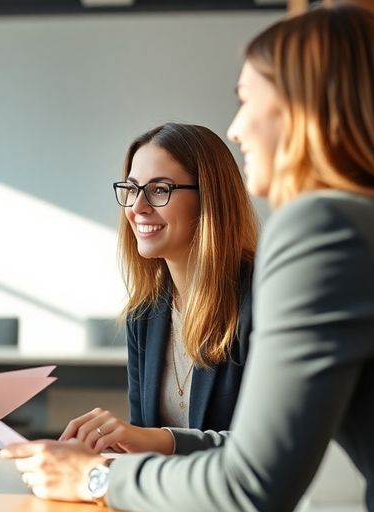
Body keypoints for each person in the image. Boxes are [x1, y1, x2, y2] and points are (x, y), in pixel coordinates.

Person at [3, 5, 374, 510]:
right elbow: (266, 453)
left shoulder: (326, 228)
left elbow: (251, 485)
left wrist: (94, 479)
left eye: (247, 100)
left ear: (302, 108)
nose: (238, 127)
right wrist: (155, 442)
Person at [59, 123, 257, 455]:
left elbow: (270, 449)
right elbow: (146, 449)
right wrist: (106, 446)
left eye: (160, 189)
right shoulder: (145, 314)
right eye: (132, 189)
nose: (137, 207)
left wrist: (158, 439)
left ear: (209, 197)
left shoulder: (261, 300)